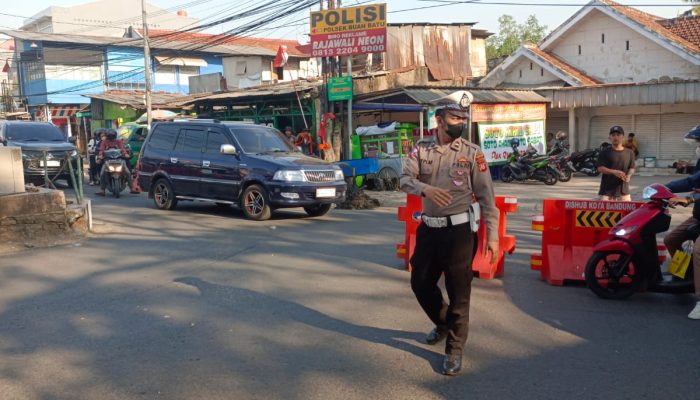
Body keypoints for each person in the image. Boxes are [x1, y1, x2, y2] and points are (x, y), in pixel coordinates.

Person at [400, 101, 499, 376]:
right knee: (420, 283)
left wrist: (493, 236)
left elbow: (487, 197)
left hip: (460, 232)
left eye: (463, 118)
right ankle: (445, 323)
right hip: (429, 229)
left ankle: (455, 348)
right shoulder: (421, 149)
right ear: (440, 121)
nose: (461, 122)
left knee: (459, 292)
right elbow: (404, 179)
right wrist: (425, 190)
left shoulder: (472, 153)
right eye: (455, 117)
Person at [596, 126, 636, 201]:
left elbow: (632, 167)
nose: (615, 137)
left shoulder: (630, 152)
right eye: (613, 135)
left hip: (624, 193)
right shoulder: (604, 152)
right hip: (606, 193)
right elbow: (599, 168)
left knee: (627, 213)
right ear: (609, 138)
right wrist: (614, 172)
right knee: (604, 213)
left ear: (623, 137)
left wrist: (629, 175)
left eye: (618, 135)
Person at [95, 128, 138, 196]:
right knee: (102, 173)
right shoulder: (104, 142)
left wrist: (125, 154)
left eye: (112, 136)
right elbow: (101, 150)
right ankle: (102, 190)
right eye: (110, 136)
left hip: (119, 160)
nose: (111, 138)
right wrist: (100, 156)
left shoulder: (119, 141)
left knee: (128, 172)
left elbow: (122, 149)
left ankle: (131, 188)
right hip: (107, 160)